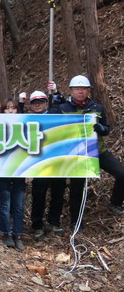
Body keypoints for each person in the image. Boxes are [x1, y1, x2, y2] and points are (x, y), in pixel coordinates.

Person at [49, 76, 124, 227]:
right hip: (75, 154)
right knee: (77, 187)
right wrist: (53, 96)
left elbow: (107, 129)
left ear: (88, 90)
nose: (80, 92)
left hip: (97, 150)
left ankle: (114, 203)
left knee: (122, 174)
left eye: (83, 89)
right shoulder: (64, 108)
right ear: (71, 90)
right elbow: (50, 122)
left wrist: (102, 129)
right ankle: (75, 222)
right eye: (77, 89)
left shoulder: (97, 108)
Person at [28, 90, 67, 238]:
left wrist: (57, 93)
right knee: (38, 194)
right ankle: (36, 224)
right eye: (34, 103)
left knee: (58, 192)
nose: (38, 105)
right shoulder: (27, 118)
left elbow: (64, 107)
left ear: (46, 103)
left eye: (41, 102)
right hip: (39, 163)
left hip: (57, 161)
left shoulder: (54, 115)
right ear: (30, 106)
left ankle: (54, 223)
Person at [0, 97, 26, 251]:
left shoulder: (25, 126)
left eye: (13, 108)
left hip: (19, 170)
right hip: (2, 171)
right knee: (5, 202)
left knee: (18, 204)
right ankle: (6, 233)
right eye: (7, 108)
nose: (10, 111)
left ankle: (18, 234)